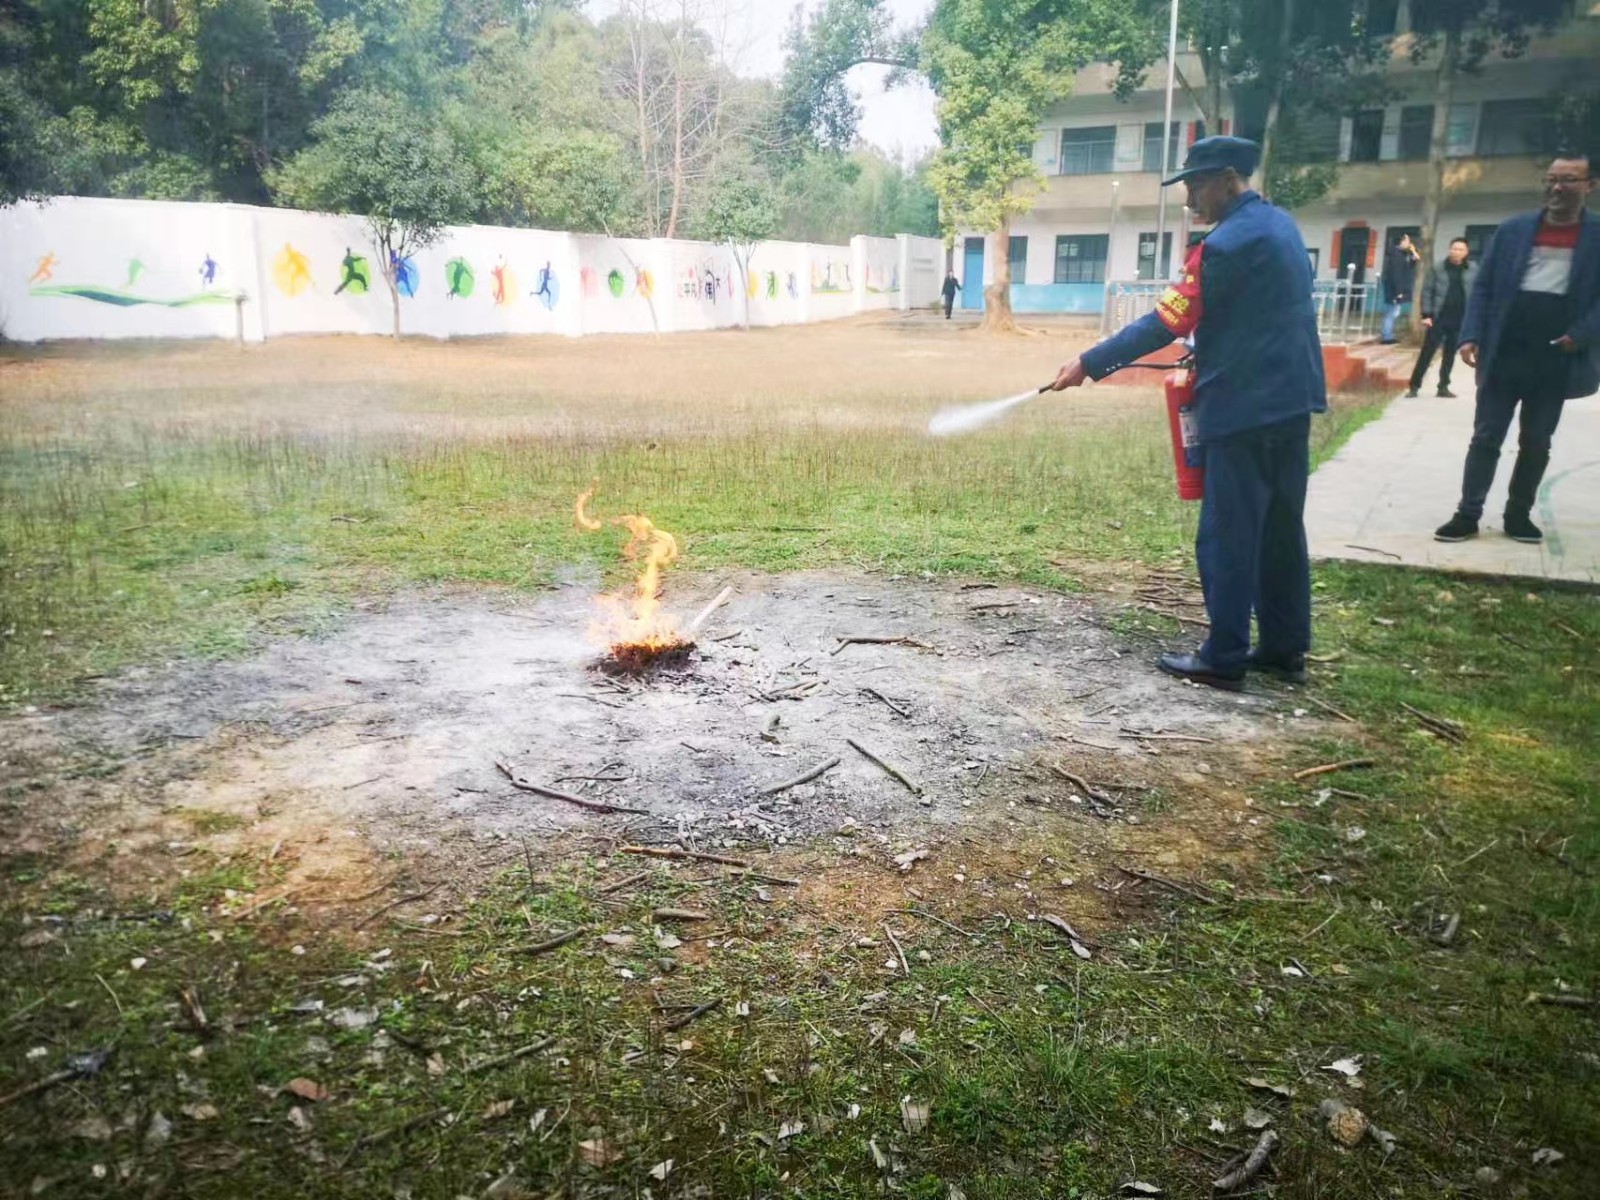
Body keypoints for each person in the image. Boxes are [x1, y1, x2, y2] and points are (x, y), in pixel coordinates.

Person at [1049, 136, 1326, 691]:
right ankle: (1284, 647)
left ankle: (1223, 655)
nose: (1191, 198)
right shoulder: (1283, 228)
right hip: (1291, 401)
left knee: (1226, 533)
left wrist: (1089, 360)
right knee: (1279, 528)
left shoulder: (1223, 245)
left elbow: (1165, 321)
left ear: (1228, 179)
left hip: (1243, 408)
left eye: (1197, 185)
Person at [1434, 152, 1599, 545]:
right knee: (1486, 435)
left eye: (1570, 180)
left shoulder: (1597, 236)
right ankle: (1467, 514)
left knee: (1537, 440)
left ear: (1590, 186)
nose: (1557, 187)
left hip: (1556, 353)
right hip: (1505, 349)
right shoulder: (1513, 230)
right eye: (1551, 178)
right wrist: (1470, 334)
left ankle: (1518, 515)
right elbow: (1485, 286)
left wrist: (1581, 334)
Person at [1406, 237, 1476, 398]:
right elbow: (1427, 291)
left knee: (1450, 353)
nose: (1456, 252)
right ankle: (1414, 386)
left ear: (1466, 252)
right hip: (1438, 317)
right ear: (1449, 250)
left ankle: (1443, 386)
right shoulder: (1438, 268)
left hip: (1460, 318)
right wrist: (1426, 315)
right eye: (1454, 248)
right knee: (1427, 352)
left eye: (1460, 249)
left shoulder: (1473, 269)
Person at [1381, 233, 1420, 343]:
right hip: (1394, 289)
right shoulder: (1396, 255)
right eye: (1407, 241)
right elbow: (1396, 275)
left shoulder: (1403, 254)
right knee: (1391, 312)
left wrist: (1412, 250)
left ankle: (1388, 335)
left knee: (1394, 311)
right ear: (1401, 242)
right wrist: (1399, 292)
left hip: (1398, 287)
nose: (1409, 243)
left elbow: (1416, 259)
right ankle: (1386, 337)